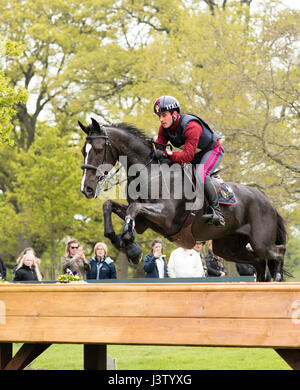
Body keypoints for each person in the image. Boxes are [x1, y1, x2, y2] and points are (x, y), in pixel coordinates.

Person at [152, 96, 225, 227]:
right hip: (194, 154)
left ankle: (217, 213)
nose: (161, 119)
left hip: (212, 151)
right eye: (159, 116)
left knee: (200, 174)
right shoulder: (163, 128)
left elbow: (186, 157)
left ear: (174, 114)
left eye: (164, 115)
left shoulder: (191, 126)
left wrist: (167, 153)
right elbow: (159, 149)